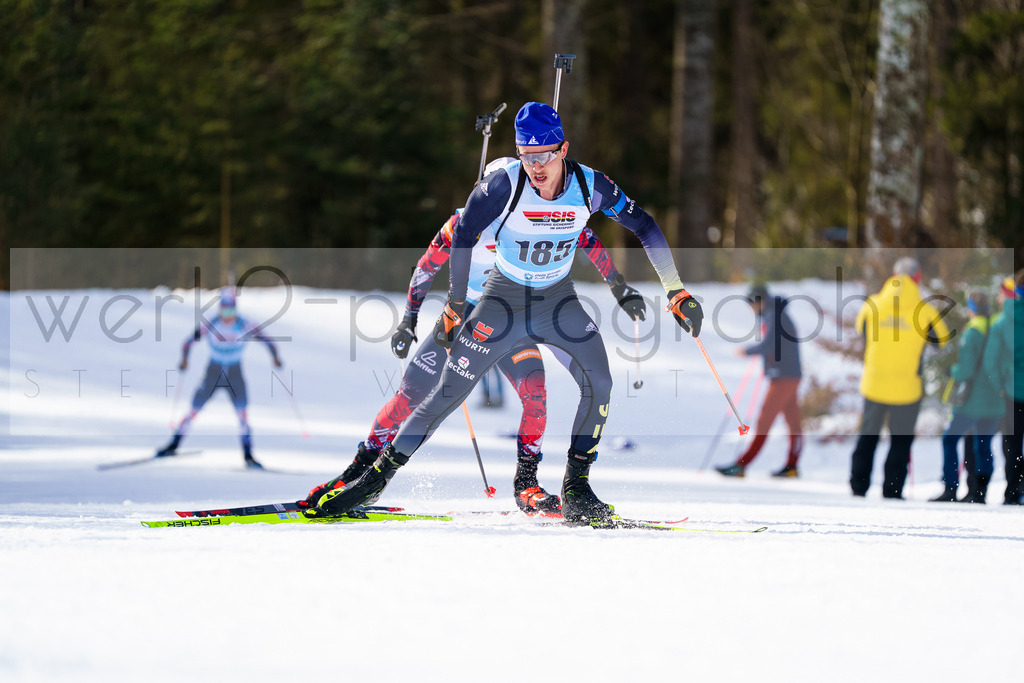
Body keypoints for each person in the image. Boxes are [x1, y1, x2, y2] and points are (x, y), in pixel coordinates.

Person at [301, 101, 703, 524]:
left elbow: (644, 226)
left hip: (557, 302)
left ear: (563, 148)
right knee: (444, 395)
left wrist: (674, 291)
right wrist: (454, 305)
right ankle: (374, 480)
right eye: (527, 156)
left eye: (545, 155)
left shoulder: (591, 186)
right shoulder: (502, 186)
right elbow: (461, 236)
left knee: (599, 382)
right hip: (501, 303)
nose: (536, 166)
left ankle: (577, 488)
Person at [306, 187, 646, 514]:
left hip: (516, 317)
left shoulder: (535, 216)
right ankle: (358, 474)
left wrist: (618, 285)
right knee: (411, 395)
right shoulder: (463, 222)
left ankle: (526, 482)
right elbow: (427, 266)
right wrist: (408, 320)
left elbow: (587, 238)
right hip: (465, 315)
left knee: (535, 395)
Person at [849, 257, 951, 499]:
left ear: (893, 275)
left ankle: (858, 485)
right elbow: (942, 340)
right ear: (918, 279)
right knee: (900, 441)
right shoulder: (924, 309)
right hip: (907, 387)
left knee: (868, 435)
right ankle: (892, 489)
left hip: (874, 383)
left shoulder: (872, 304)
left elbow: (860, 330)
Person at [156, 287, 283, 469]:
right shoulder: (211, 324)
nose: (228, 315)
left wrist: (275, 357)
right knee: (193, 410)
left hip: (234, 374)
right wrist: (184, 360)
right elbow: (188, 342)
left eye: (231, 310)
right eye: (224, 310)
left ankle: (248, 455)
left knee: (243, 415)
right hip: (213, 373)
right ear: (220, 309)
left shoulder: (244, 324)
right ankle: (173, 444)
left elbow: (267, 340)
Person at [716, 283, 804, 478]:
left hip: (783, 376)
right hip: (786, 374)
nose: (750, 307)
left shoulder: (774, 315)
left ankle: (742, 465)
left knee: (764, 420)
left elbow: (768, 344)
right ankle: (792, 465)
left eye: (751, 302)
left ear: (759, 301)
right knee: (793, 422)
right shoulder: (772, 313)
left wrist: (747, 351)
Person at [931, 290, 1001, 503]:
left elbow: (967, 371)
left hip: (972, 399)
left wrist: (952, 371)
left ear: (971, 308)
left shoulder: (972, 333)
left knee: (950, 440)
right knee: (983, 445)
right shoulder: (997, 328)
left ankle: (951, 487)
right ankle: (980, 491)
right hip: (995, 399)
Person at [984, 272, 1024, 504]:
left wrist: (998, 385)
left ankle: (1012, 491)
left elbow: (991, 361)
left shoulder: (1001, 323)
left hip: (1010, 393)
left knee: (1012, 442)